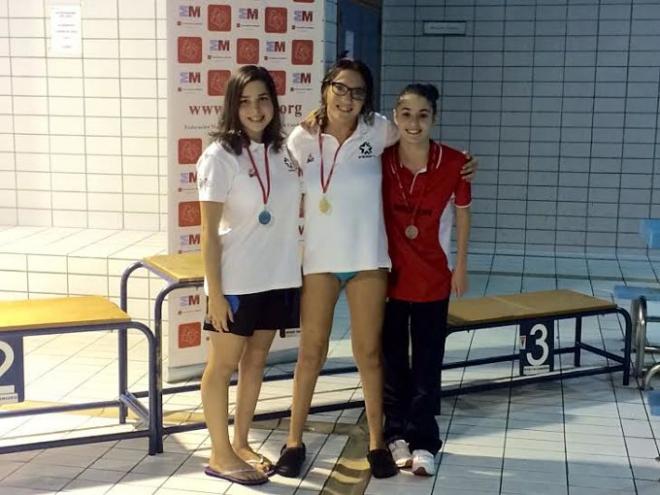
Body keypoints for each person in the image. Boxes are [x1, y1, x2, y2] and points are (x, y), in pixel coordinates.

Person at [275, 59, 476, 479]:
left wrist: (461, 164)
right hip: (319, 263)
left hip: (368, 260)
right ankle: (293, 442)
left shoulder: (377, 129)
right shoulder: (302, 137)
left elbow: (416, 133)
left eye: (358, 91)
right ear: (326, 89)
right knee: (311, 353)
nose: (348, 98)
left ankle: (376, 442)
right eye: (341, 89)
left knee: (370, 354)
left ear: (368, 99)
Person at [196, 65, 302, 486]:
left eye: (262, 100)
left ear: (274, 104)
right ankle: (220, 453)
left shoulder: (284, 151)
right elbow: (207, 232)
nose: (255, 109)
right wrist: (215, 293)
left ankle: (241, 441)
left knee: (256, 361)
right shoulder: (219, 156)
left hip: (277, 276)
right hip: (236, 280)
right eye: (245, 101)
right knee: (221, 367)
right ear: (232, 106)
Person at [381, 83, 471, 477]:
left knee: (428, 360)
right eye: (405, 114)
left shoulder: (454, 163)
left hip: (434, 277)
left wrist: (462, 266)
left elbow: (464, 216)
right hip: (389, 277)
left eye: (422, 115)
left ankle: (425, 439)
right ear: (395, 116)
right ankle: (395, 432)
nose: (413, 123)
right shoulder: (381, 160)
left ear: (434, 117)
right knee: (393, 358)